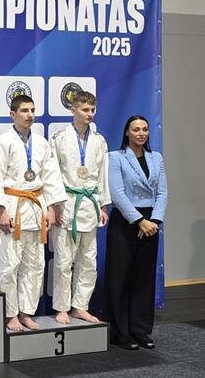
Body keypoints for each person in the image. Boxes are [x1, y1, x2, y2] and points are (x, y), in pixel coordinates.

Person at [0, 95, 67, 331]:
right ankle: (10, 314)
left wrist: (52, 208)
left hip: (36, 207)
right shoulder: (2, 142)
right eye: (24, 110)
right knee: (10, 266)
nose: (30, 115)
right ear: (12, 115)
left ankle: (26, 312)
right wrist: (1, 211)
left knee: (35, 266)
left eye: (32, 110)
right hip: (13, 206)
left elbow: (51, 177)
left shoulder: (42, 143)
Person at [105, 115, 167, 350]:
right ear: (127, 132)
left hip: (151, 222)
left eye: (145, 129)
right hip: (126, 221)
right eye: (136, 129)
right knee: (120, 277)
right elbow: (117, 193)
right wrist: (139, 221)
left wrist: (154, 221)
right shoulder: (116, 157)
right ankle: (121, 333)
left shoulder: (156, 158)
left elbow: (162, 192)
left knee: (144, 277)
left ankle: (140, 330)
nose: (141, 133)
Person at [49, 91, 111, 325]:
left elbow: (103, 175)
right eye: (85, 110)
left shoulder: (99, 140)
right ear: (72, 110)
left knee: (88, 261)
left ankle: (80, 306)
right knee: (64, 262)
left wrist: (103, 204)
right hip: (67, 203)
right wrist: (54, 205)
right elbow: (52, 174)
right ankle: (62, 307)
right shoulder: (59, 138)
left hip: (90, 205)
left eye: (92, 110)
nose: (90, 114)